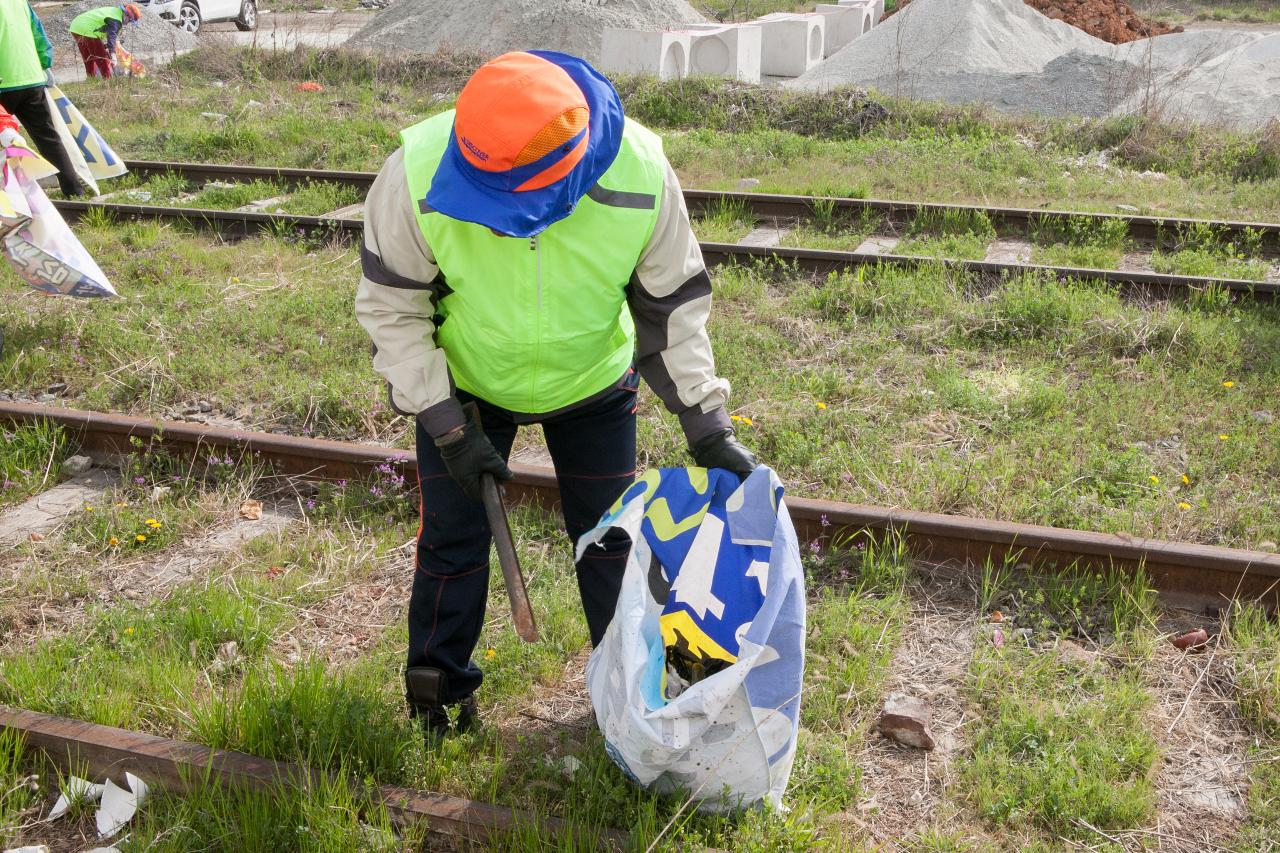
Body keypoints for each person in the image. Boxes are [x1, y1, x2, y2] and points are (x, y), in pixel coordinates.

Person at [356, 50, 758, 738]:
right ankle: (437, 694)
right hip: (470, 383)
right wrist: (449, 426)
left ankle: (632, 699)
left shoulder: (639, 170)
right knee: (453, 541)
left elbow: (674, 307)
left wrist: (706, 420)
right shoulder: (417, 171)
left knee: (610, 544)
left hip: (593, 381)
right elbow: (393, 309)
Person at [0, 0, 86, 197]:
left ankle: (10, 201)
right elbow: (38, 32)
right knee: (48, 138)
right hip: (31, 79)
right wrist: (44, 62)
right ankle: (74, 190)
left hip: (3, 81)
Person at [69, 3, 140, 79]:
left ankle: (91, 78)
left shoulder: (115, 13)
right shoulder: (116, 20)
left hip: (76, 27)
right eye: (130, 21)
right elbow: (111, 37)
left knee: (89, 56)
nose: (127, 23)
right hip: (87, 29)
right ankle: (108, 80)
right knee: (103, 58)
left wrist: (121, 50)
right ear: (127, 15)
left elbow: (111, 40)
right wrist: (113, 55)